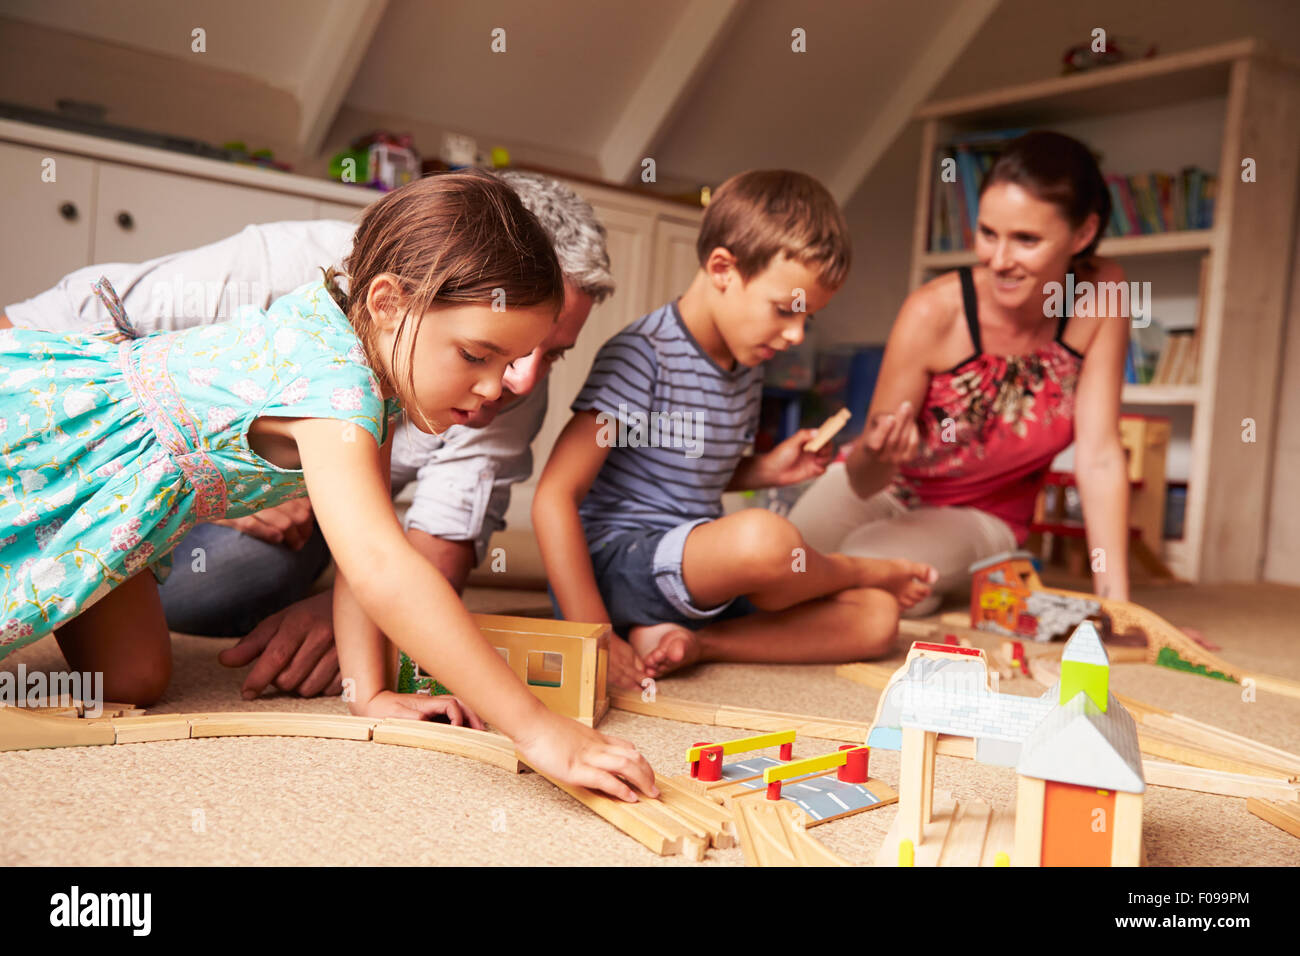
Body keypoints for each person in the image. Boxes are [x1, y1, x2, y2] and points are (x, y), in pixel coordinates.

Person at [0, 170, 655, 801]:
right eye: (476, 355)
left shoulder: (372, 358)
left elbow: (360, 553)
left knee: (133, 678)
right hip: (52, 441)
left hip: (124, 494)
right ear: (388, 303)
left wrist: (366, 694)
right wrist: (537, 731)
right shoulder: (338, 386)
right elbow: (380, 567)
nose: (496, 389)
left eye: (508, 363)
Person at [533, 170, 937, 686]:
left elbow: (684, 473)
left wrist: (765, 470)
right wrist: (594, 633)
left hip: (695, 573)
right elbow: (554, 496)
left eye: (806, 319)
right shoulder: (643, 355)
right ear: (722, 268)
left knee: (877, 619)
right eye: (784, 311)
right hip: (621, 563)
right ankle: (861, 566)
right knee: (767, 543)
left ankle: (693, 642)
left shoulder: (746, 367)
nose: (794, 335)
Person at [789, 130, 1131, 614]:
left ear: (1082, 234)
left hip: (981, 515)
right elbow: (866, 479)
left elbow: (1099, 457)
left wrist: (1116, 607)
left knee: (865, 570)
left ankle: (936, 579)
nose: (999, 260)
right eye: (989, 234)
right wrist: (879, 450)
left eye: (1026, 239)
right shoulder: (933, 312)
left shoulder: (1104, 293)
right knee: (782, 566)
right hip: (887, 486)